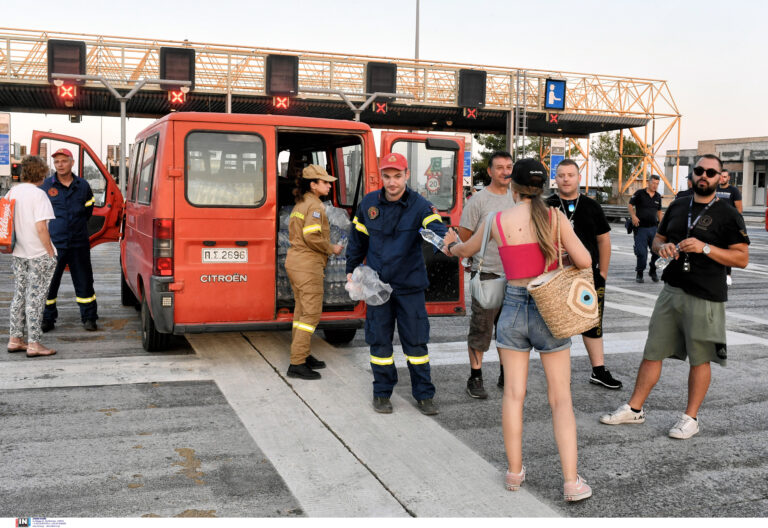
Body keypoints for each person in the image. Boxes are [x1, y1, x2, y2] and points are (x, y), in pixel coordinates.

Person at [444, 158, 593, 502]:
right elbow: (585, 260)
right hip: (549, 309)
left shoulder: (497, 219)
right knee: (560, 399)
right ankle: (571, 482)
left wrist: (451, 246)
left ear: (513, 186)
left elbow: (465, 250)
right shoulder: (554, 218)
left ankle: (514, 473)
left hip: (511, 307)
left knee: (513, 394)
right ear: (543, 188)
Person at [600, 154, 750, 439]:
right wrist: (662, 248)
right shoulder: (679, 205)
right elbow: (658, 238)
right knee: (652, 351)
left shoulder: (729, 213)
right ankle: (634, 409)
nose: (704, 175)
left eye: (711, 172)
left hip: (707, 294)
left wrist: (705, 248)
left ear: (720, 178)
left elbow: (742, 258)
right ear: (692, 175)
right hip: (672, 289)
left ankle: (690, 418)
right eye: (699, 171)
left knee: (701, 358)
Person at [345, 152, 450, 416]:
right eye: (387, 176)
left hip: (409, 286)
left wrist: (450, 243)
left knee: (416, 345)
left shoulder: (420, 205)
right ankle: (381, 393)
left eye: (397, 176)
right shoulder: (369, 203)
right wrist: (351, 270)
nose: (392, 182)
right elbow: (358, 239)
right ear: (381, 176)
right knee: (379, 343)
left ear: (407, 176)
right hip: (377, 287)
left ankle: (424, 395)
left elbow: (434, 226)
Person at [546, 159, 622, 390]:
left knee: (592, 323)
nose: (566, 179)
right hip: (556, 276)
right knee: (556, 324)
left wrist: (603, 273)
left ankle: (598, 370)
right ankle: (558, 374)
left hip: (589, 276)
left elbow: (604, 241)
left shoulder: (591, 206)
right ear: (555, 178)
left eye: (570, 174)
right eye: (561, 175)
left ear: (579, 178)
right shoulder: (546, 206)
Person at [457, 151, 515, 399]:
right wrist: (474, 257)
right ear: (490, 171)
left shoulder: (518, 198)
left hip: (515, 277)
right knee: (482, 329)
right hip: (487, 275)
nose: (505, 172)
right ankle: (476, 377)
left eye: (509, 167)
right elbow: (464, 234)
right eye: (500, 167)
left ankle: (507, 374)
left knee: (509, 331)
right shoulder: (478, 201)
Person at [284, 165, 344, 380]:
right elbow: (312, 237)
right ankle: (297, 363)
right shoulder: (315, 206)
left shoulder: (302, 202)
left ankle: (303, 354)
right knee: (310, 315)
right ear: (313, 185)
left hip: (296, 263)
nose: (329, 185)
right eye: (325, 182)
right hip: (307, 265)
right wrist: (332, 248)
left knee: (301, 313)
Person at [40, 148, 98, 332]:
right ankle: (48, 319)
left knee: (84, 282)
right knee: (50, 283)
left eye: (64, 161)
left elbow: (89, 209)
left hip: (79, 243)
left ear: (72, 162)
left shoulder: (83, 186)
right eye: (57, 162)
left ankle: (89, 318)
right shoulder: (46, 187)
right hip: (55, 245)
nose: (60, 165)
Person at [6, 156, 59, 357]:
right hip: (38, 253)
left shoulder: (12, 192)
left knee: (19, 294)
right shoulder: (39, 195)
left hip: (19, 253)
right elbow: (41, 228)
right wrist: (50, 251)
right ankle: (34, 343)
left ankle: (15, 338)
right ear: (41, 173)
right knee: (36, 298)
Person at [628, 174, 663, 283]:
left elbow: (659, 212)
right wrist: (633, 216)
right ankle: (640, 273)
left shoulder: (658, 196)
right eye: (653, 183)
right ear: (648, 182)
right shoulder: (639, 193)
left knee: (657, 252)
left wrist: (662, 225)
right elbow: (630, 205)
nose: (655, 185)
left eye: (657, 184)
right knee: (642, 253)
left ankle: (653, 270)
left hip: (653, 229)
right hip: (641, 229)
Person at [715, 168, 743, 286]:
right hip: (715, 224)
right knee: (714, 249)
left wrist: (737, 225)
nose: (722, 179)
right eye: (721, 176)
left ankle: (728, 275)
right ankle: (714, 274)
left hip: (728, 226)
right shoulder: (714, 189)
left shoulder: (734, 191)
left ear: (728, 178)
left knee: (727, 251)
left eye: (725, 177)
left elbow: (739, 210)